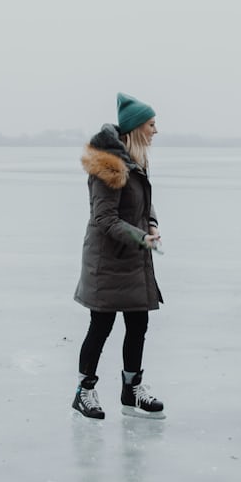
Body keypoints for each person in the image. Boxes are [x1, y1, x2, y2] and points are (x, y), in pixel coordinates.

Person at [72, 93, 166, 421]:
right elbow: (104, 218)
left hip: (133, 257)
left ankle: (132, 391)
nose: (156, 131)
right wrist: (142, 237)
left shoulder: (136, 160)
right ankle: (84, 392)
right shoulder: (109, 167)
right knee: (102, 324)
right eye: (152, 125)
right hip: (108, 260)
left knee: (138, 322)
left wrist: (151, 224)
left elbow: (144, 203)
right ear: (138, 128)